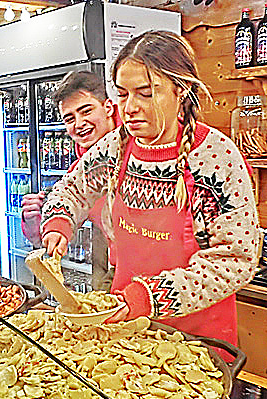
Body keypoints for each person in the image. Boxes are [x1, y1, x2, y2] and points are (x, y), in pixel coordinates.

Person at [40, 30, 259, 348]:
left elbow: (234, 260)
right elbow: (72, 189)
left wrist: (148, 297)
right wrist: (59, 222)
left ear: (180, 90)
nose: (129, 107)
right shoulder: (116, 147)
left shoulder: (215, 157)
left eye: (145, 93)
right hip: (124, 331)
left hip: (196, 340)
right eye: (123, 94)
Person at [21, 71, 121, 246]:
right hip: (114, 258)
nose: (79, 124)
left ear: (108, 108)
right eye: (69, 118)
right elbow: (44, 240)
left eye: (86, 111)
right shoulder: (79, 172)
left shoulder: (137, 144)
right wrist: (33, 220)